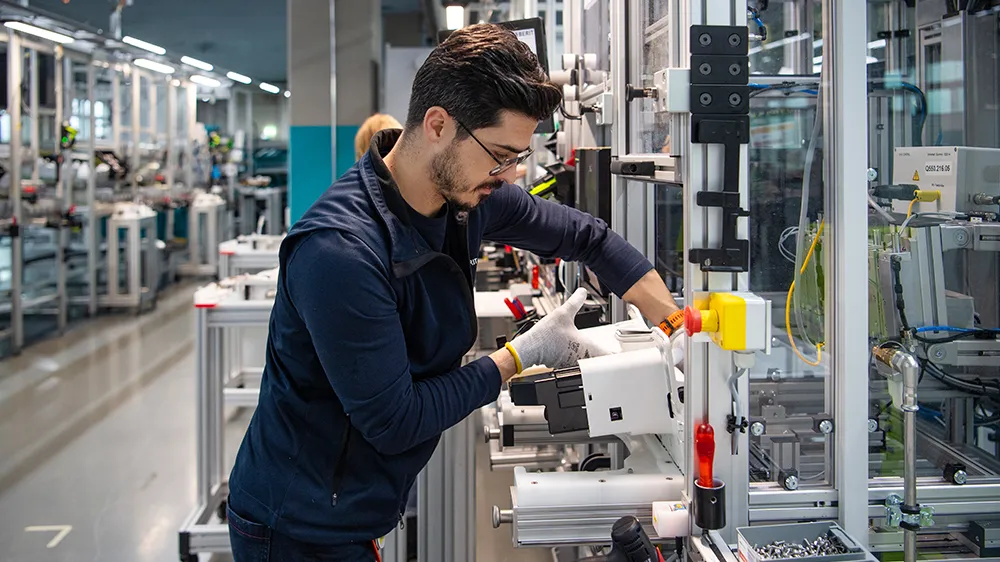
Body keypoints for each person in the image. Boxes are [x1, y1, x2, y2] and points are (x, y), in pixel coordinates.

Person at [227, 23, 681, 561]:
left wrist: (677, 330)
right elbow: (397, 421)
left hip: (357, 499)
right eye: (501, 155)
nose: (511, 176)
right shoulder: (340, 252)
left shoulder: (467, 198)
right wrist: (517, 358)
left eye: (518, 158)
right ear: (438, 125)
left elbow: (588, 237)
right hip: (296, 526)